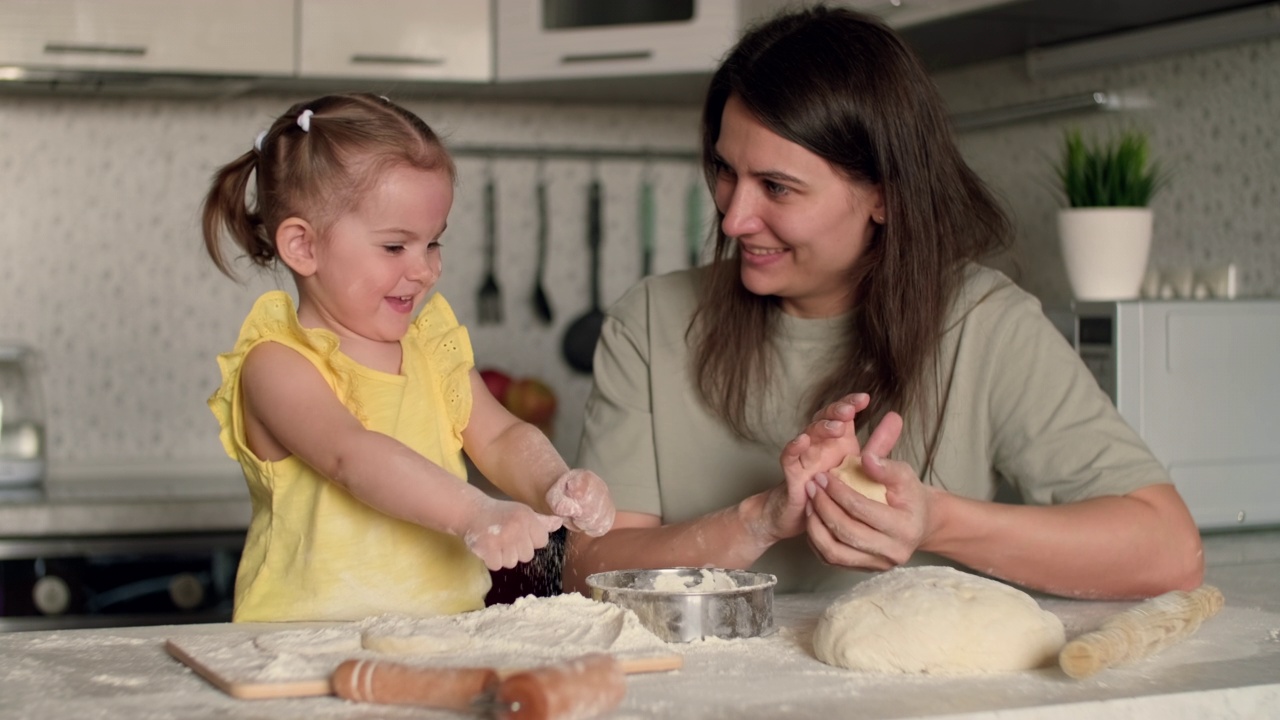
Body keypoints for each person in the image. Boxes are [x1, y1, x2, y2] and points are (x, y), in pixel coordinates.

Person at [562, 6, 1203, 601]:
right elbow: (586, 564)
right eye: (727, 171)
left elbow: (1168, 549)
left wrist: (935, 521)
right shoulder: (650, 322)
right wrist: (757, 520)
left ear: (886, 197)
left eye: (777, 188)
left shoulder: (983, 323)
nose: (733, 219)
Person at [202, 93, 615, 622]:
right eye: (396, 247)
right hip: (303, 649)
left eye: (433, 244)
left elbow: (501, 436)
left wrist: (557, 484)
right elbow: (352, 456)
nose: (425, 270)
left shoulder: (431, 348)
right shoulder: (277, 363)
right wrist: (476, 513)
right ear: (303, 246)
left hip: (444, 637)